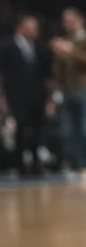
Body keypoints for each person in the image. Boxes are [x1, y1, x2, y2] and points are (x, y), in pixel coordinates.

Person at [51, 8, 86, 177]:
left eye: (71, 20)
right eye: (65, 21)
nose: (67, 24)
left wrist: (69, 50)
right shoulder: (64, 41)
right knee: (71, 130)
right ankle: (79, 165)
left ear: (80, 21)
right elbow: (59, 69)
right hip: (67, 90)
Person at [0, 15, 51, 177]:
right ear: (20, 27)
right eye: (31, 26)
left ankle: (36, 163)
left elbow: (47, 75)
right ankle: (20, 164)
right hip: (15, 95)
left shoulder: (41, 47)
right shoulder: (6, 46)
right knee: (21, 129)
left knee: (38, 129)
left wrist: (49, 97)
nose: (35, 30)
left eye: (36, 27)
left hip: (38, 94)